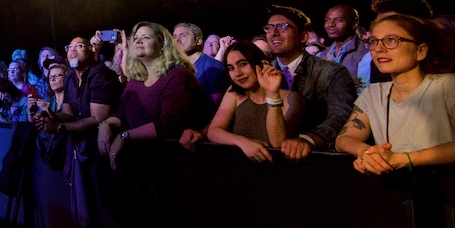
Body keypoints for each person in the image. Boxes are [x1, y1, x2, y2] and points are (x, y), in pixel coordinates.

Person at [335, 14, 455, 174]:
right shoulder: (373, 93)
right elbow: (344, 139)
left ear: (420, 51)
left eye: (391, 40)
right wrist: (367, 154)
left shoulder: (447, 85)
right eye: (374, 41)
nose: (379, 48)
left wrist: (404, 159)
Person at [99, 22, 206, 169]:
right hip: (139, 163)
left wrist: (125, 136)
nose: (138, 40)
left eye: (146, 37)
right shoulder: (136, 80)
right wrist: (105, 125)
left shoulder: (177, 74)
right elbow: (121, 114)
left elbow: (170, 124)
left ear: (162, 45)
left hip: (171, 163)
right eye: (136, 37)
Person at [263, 5, 355, 160]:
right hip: (268, 155)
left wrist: (308, 139)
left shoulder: (331, 72)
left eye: (282, 27)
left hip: (315, 158)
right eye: (269, 27)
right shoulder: (262, 72)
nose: (273, 32)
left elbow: (341, 115)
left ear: (304, 37)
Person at [207, 41, 303, 162]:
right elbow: (213, 131)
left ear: (260, 63)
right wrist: (242, 142)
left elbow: (277, 142)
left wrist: (272, 95)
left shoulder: (291, 98)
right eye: (231, 68)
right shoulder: (234, 93)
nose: (237, 73)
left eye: (242, 64)